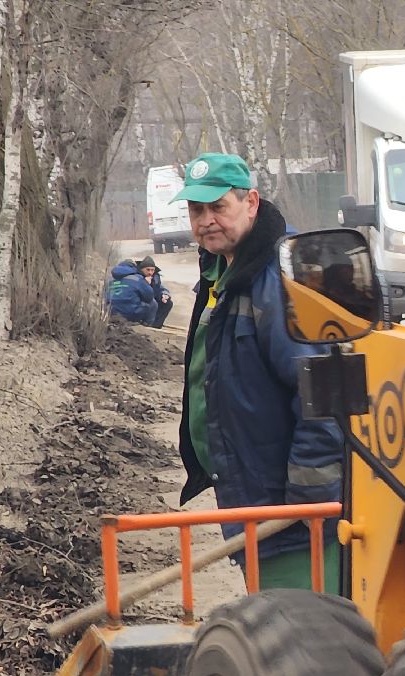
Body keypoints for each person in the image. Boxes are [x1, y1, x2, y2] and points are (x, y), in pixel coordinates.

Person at [172, 152, 342, 593]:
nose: (206, 220)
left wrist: (306, 508)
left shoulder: (282, 281)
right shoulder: (220, 273)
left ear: (251, 202)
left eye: (218, 207)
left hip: (296, 523)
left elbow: (324, 399)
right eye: (196, 210)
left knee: (301, 642)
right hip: (254, 501)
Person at [105, 258, 157, 325]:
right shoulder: (137, 278)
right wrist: (147, 284)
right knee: (153, 303)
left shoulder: (110, 280)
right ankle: (146, 326)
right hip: (131, 314)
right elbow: (149, 296)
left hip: (112, 313)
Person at [137, 256, 175, 329]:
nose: (150, 272)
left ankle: (156, 325)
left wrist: (164, 294)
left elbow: (160, 288)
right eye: (148, 270)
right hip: (140, 301)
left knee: (168, 303)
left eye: (152, 270)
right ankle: (144, 322)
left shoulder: (155, 277)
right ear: (142, 269)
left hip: (152, 300)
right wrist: (145, 284)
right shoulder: (137, 276)